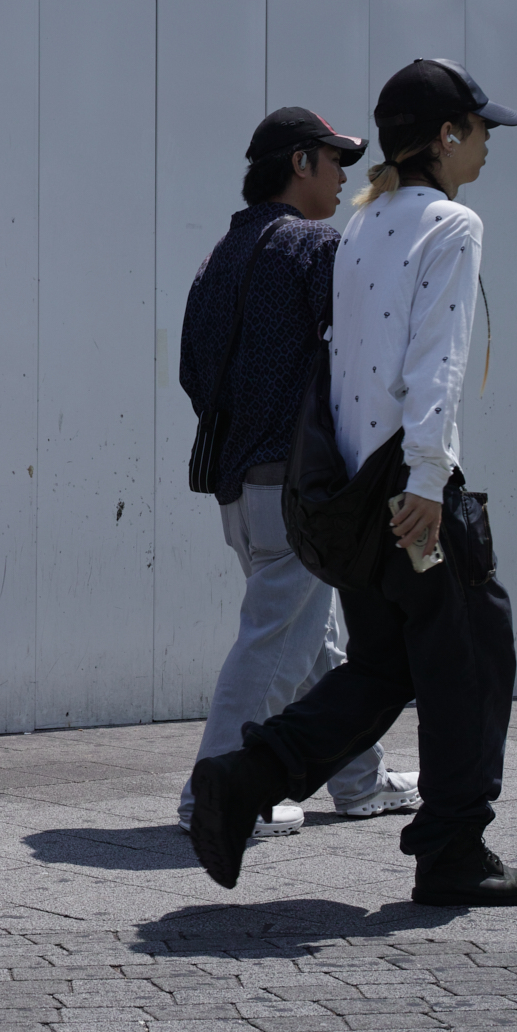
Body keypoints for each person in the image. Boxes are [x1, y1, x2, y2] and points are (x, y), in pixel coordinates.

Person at [190, 59, 517, 907]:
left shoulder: (361, 222)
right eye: (481, 128)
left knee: (385, 666)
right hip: (411, 483)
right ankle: (454, 850)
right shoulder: (450, 225)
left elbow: (349, 361)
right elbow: (437, 363)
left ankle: (247, 776)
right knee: (472, 656)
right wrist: (428, 483)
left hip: (354, 483)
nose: (490, 144)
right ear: (447, 137)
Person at [177, 108, 421, 842]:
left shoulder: (221, 254)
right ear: (299, 164)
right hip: (298, 484)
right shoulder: (316, 245)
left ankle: (359, 782)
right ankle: (213, 797)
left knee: (312, 641)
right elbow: (359, 359)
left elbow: (193, 374)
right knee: (273, 640)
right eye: (335, 159)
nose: (347, 174)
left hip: (237, 483)